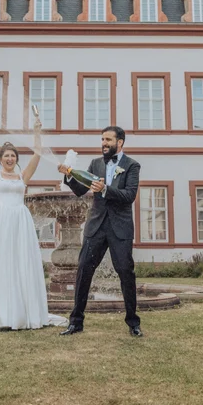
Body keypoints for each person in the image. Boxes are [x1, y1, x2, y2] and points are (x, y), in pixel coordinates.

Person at [0, 109, 67, 330]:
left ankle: (21, 312)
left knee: (21, 264)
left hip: (20, 222)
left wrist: (37, 131)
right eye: (6, 156)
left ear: (16, 159)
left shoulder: (23, 176)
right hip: (0, 221)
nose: (10, 159)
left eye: (13, 156)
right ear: (0, 159)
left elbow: (37, 154)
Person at [57, 126, 143, 337]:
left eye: (108, 140)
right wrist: (69, 176)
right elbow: (81, 190)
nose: (104, 143)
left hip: (120, 228)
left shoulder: (132, 165)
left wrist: (105, 189)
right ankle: (76, 322)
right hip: (95, 227)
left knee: (125, 272)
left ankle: (133, 323)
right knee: (83, 271)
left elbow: (129, 196)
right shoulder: (95, 163)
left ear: (120, 142)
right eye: (102, 139)